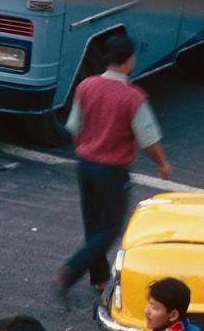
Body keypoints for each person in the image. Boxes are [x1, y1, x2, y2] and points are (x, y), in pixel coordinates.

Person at [52, 34, 172, 311]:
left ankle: (99, 278)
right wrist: (162, 164)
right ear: (129, 60)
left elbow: (74, 129)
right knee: (109, 229)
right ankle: (68, 272)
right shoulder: (133, 96)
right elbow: (148, 139)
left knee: (93, 224)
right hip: (112, 170)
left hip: (85, 165)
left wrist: (88, 146)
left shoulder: (86, 86)